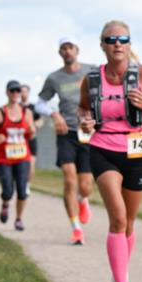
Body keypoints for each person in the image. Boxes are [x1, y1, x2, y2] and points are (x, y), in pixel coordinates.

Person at [78, 20, 142, 282]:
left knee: (129, 222)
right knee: (117, 217)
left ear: (130, 44)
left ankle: (119, 277)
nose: (117, 43)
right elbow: (83, 109)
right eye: (111, 39)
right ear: (103, 45)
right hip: (104, 148)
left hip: (137, 150)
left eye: (123, 39)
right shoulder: (92, 79)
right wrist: (84, 121)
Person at [36, 37, 97, 245]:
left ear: (77, 50)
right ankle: (76, 228)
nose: (67, 51)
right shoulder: (54, 78)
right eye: (63, 48)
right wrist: (54, 115)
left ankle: (83, 199)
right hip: (66, 133)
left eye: (70, 47)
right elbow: (40, 104)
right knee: (69, 179)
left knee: (86, 185)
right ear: (60, 53)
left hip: (88, 131)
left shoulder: (92, 70)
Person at [0, 80, 34, 231]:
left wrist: (32, 131)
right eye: (12, 91)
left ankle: (19, 219)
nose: (15, 94)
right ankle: (5, 203)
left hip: (22, 157)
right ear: (7, 92)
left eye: (18, 91)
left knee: (22, 189)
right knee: (8, 190)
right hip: (4, 158)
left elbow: (31, 134)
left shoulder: (27, 113)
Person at [20, 83, 43, 196]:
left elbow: (40, 121)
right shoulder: (16, 107)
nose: (23, 93)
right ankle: (19, 184)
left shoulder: (34, 108)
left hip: (31, 139)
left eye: (25, 91)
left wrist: (33, 125)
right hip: (19, 141)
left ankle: (27, 185)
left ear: (28, 93)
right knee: (18, 165)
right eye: (21, 91)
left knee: (31, 164)